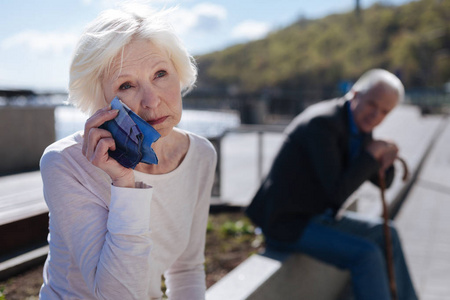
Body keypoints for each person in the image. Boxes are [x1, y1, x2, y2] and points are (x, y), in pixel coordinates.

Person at [39, 4, 217, 300]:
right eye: (126, 85)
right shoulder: (65, 163)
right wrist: (124, 183)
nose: (151, 101)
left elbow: (186, 270)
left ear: (179, 73)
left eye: (160, 73)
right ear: (101, 100)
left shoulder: (200, 155)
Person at [246, 69, 418, 300]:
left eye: (385, 112)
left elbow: (383, 183)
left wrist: (385, 159)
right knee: (366, 255)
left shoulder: (357, 124)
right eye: (372, 105)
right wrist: (370, 155)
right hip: (285, 221)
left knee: (388, 232)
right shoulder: (323, 123)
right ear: (355, 94)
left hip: (316, 216)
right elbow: (336, 193)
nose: (375, 115)